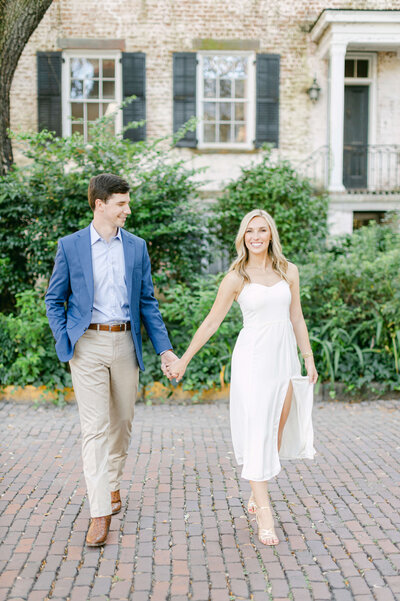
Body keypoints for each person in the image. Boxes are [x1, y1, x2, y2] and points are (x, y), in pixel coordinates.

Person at [167, 209, 318, 546]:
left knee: (275, 434)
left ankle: (256, 488)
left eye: (262, 230)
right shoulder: (236, 277)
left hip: (285, 359)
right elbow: (211, 322)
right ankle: (265, 514)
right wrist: (185, 360)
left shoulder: (288, 271)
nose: (256, 236)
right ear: (243, 237)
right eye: (250, 231)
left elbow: (297, 317)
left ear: (271, 235)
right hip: (253, 360)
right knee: (259, 434)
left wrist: (308, 358)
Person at [45, 173, 177, 547]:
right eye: (121, 203)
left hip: (125, 345)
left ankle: (113, 483)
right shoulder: (70, 246)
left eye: (127, 202)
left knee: (122, 424)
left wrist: (164, 349)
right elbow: (54, 300)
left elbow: (148, 302)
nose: (127, 209)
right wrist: (65, 339)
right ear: (100, 204)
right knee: (95, 429)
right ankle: (99, 512)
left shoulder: (136, 247)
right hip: (86, 345)